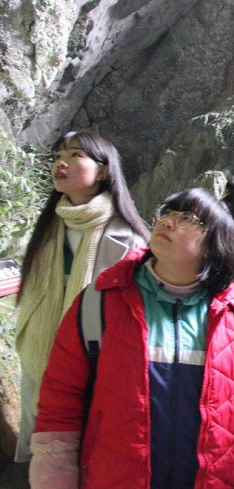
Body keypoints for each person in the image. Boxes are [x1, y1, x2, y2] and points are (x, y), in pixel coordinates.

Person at [28, 188, 234, 489]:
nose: (168, 222)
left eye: (187, 218)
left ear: (213, 244)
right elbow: (61, 394)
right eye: (167, 212)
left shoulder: (233, 320)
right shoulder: (99, 303)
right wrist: (55, 477)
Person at [14, 131, 149, 464]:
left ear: (102, 171)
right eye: (59, 155)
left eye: (75, 155)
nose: (61, 163)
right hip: (40, 347)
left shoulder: (127, 239)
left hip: (92, 358)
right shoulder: (49, 227)